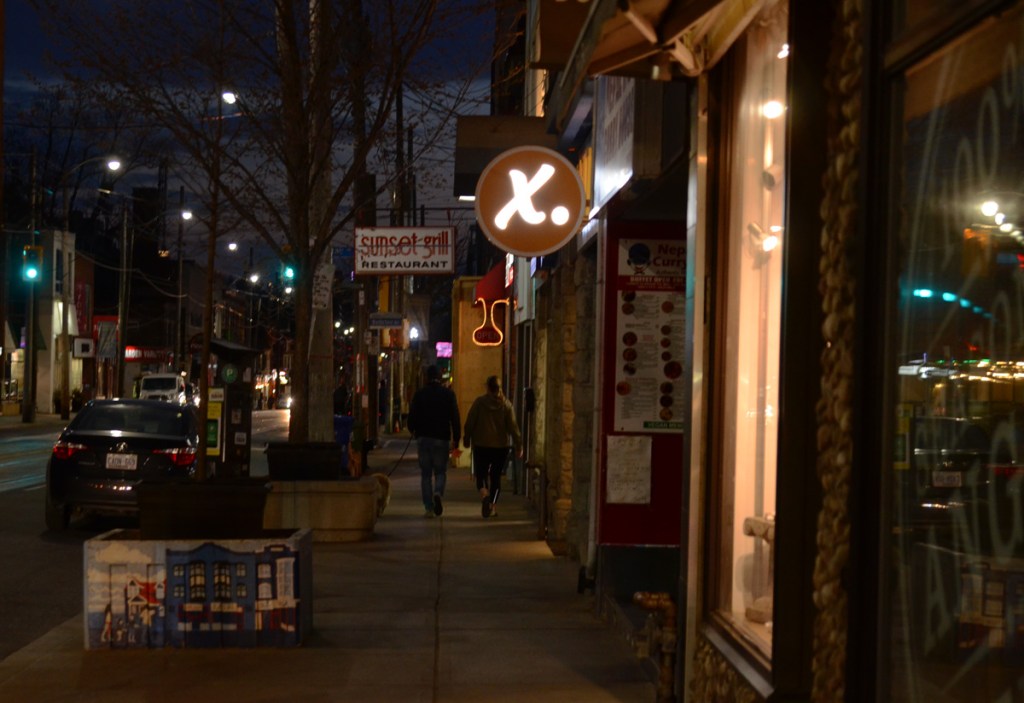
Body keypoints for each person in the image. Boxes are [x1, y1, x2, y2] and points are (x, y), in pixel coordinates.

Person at [463, 375, 522, 519]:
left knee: (481, 474)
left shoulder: (479, 403)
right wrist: (519, 445)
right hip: (500, 447)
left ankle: (484, 495)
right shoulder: (506, 405)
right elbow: (513, 427)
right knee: (495, 477)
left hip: (481, 444)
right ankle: (492, 506)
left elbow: (470, 422)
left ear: (488, 387)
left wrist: (466, 438)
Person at [407, 365, 461, 517]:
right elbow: (455, 418)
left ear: (426, 377)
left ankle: (428, 507)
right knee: (440, 471)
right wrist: (456, 439)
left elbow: (411, 417)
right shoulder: (449, 394)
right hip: (441, 439)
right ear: (440, 377)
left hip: (424, 438)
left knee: (425, 474)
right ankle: (438, 492)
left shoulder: (420, 394)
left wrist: (414, 431)